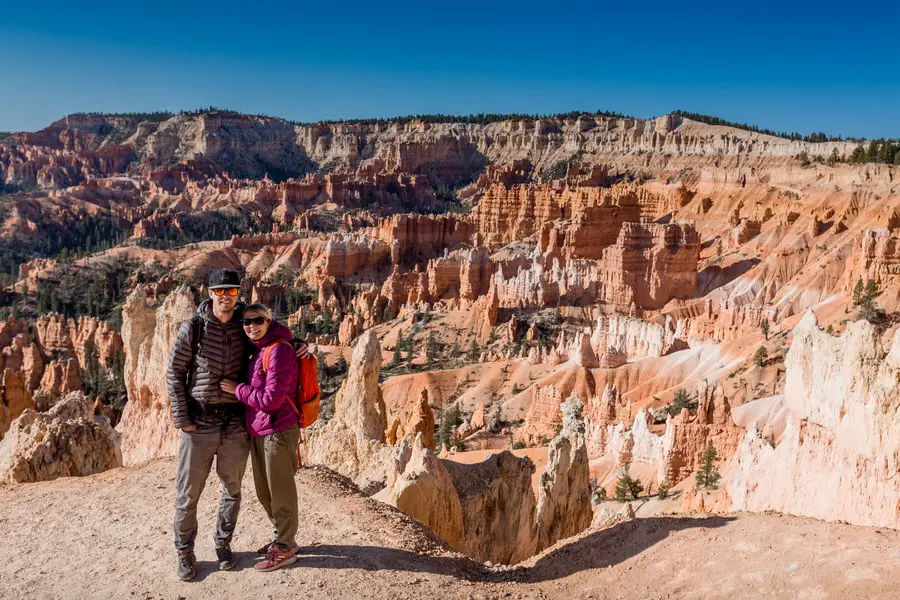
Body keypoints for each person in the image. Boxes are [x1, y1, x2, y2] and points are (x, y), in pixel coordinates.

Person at [168, 269, 250, 581]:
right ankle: (184, 551)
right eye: (221, 291)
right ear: (210, 292)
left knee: (233, 489)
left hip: (234, 424)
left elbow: (275, 336)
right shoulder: (195, 327)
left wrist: (296, 343)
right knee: (188, 495)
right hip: (199, 423)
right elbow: (175, 372)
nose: (226, 296)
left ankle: (222, 543)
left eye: (232, 291)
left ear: (238, 293)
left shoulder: (248, 323)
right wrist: (182, 419)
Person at [219, 303, 302, 572]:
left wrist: (237, 390)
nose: (251, 326)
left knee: (281, 493)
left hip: (278, 431)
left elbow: (271, 400)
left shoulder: (277, 351)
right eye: (246, 322)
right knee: (265, 493)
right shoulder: (259, 350)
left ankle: (286, 548)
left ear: (269, 321)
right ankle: (282, 539)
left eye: (258, 321)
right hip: (260, 431)